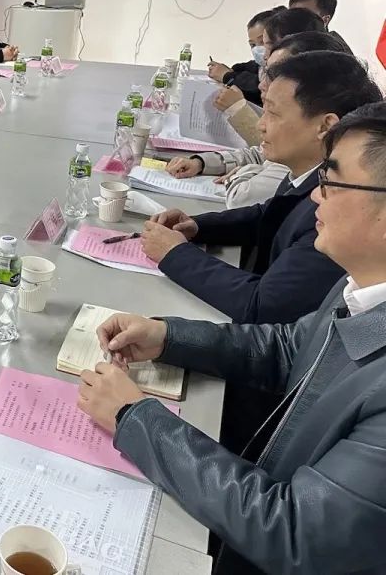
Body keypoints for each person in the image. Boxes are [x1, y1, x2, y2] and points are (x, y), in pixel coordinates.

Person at [78, 102, 386, 575]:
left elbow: (293, 532)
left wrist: (132, 417)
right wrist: (168, 336)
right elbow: (289, 348)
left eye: (333, 180)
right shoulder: (362, 287)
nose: (315, 195)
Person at [143, 50, 381, 325]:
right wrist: (198, 226)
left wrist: (175, 255)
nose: (260, 125)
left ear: (324, 126)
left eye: (273, 113)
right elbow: (268, 215)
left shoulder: (338, 208)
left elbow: (264, 306)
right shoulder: (309, 174)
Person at [167, 31, 354, 208]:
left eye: (275, 74)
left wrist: (243, 172)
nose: (262, 84)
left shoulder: (310, 160)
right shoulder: (299, 138)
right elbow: (259, 154)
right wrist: (202, 162)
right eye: (266, 69)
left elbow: (242, 198)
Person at [213, 7, 329, 146]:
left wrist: (237, 109)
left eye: (268, 46)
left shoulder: (307, 99)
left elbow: (273, 147)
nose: (264, 55)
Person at [205, 6, 284, 107]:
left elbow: (256, 87)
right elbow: (247, 67)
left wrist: (227, 76)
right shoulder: (260, 67)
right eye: (252, 45)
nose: (257, 49)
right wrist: (231, 71)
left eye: (263, 42)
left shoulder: (282, 70)